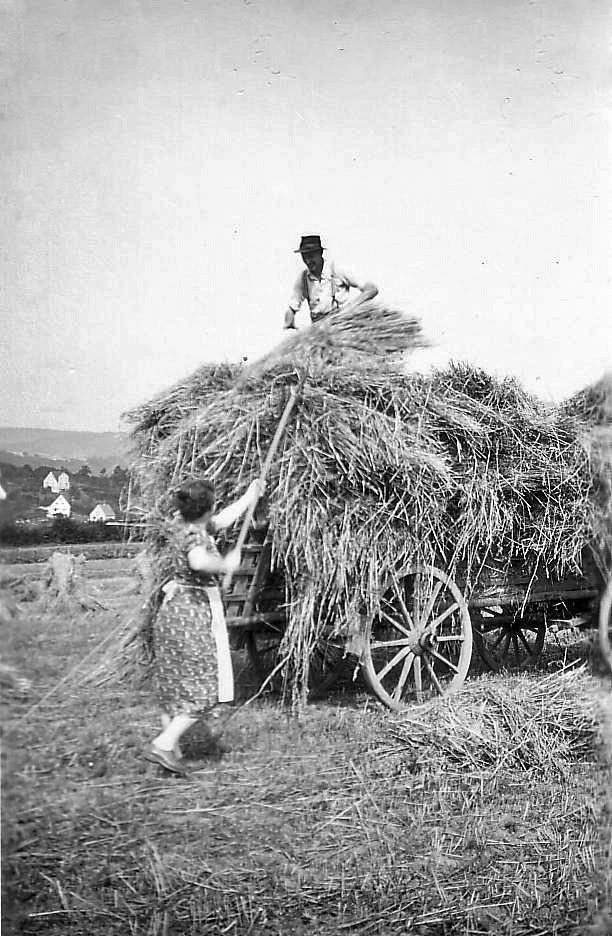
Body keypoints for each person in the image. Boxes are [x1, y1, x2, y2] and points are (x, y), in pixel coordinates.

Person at [144, 476, 263, 776]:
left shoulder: (186, 526)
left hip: (173, 612)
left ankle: (171, 752)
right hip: (192, 615)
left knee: (174, 681)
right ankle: (163, 743)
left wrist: (250, 496)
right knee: (206, 687)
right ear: (206, 508)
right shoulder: (195, 538)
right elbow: (198, 561)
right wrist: (225, 565)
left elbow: (223, 520)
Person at [284, 234, 378, 329]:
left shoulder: (337, 269)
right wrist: (288, 323)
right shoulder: (303, 278)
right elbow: (292, 308)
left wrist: (350, 308)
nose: (308, 261)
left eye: (311, 256)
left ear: (320, 253)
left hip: (343, 327)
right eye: (304, 257)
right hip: (318, 332)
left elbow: (371, 289)